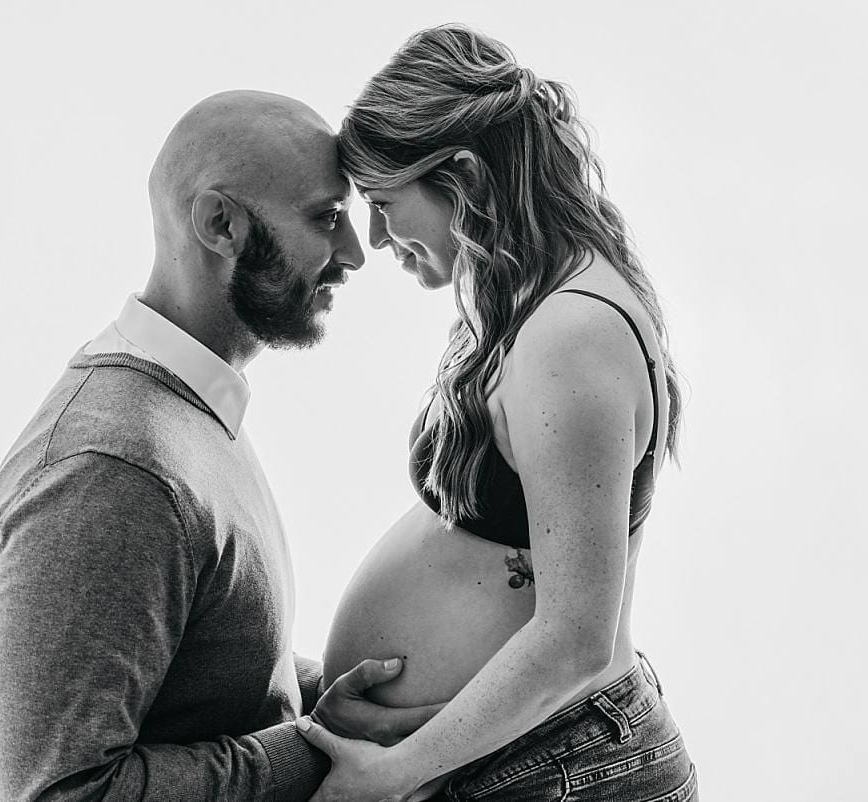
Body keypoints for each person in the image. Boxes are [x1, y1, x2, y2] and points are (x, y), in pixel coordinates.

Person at [0, 90, 443, 802]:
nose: (353, 254)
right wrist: (316, 755)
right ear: (222, 224)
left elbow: (198, 675)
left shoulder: (185, 413)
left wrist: (324, 695)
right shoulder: (113, 473)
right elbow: (62, 793)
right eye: (327, 217)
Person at [298, 25, 698, 801]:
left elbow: (576, 637)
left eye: (384, 203)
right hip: (534, 763)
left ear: (465, 177)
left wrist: (388, 776)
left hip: (569, 771)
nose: (375, 238)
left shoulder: (570, 332)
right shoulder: (534, 303)